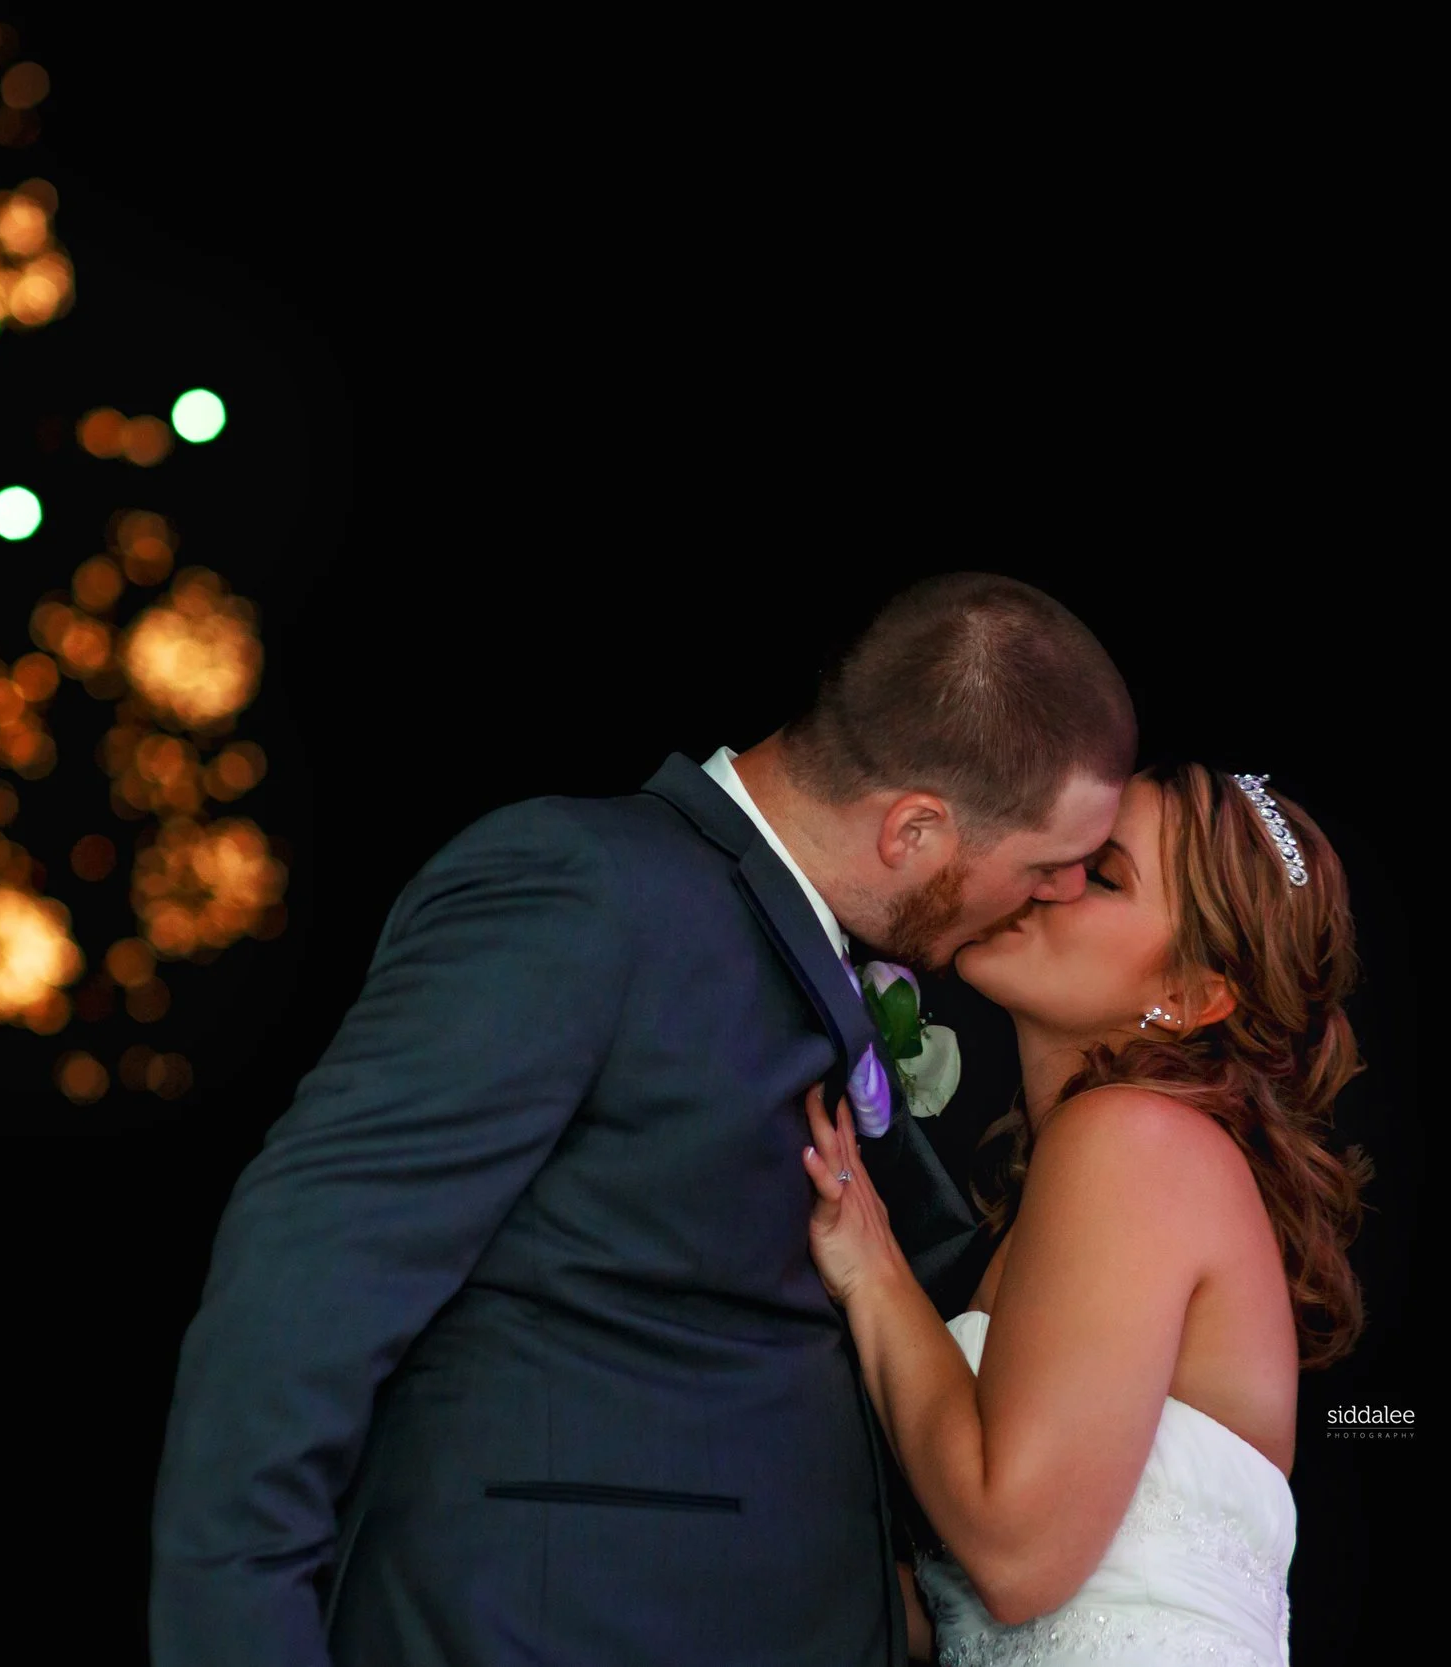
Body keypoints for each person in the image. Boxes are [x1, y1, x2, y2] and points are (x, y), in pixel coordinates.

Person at [151, 572, 1133, 1665]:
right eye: (1045, 868)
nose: (1052, 896)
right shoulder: (587, 887)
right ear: (914, 828)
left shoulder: (814, 967)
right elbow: (308, 1268)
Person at [800, 764, 1369, 1664]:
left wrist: (874, 1276)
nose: (1051, 877)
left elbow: (1018, 1554)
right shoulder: (1141, 1162)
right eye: (1060, 849)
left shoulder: (1135, 1139)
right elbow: (987, 1617)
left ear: (1189, 995)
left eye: (1101, 875)